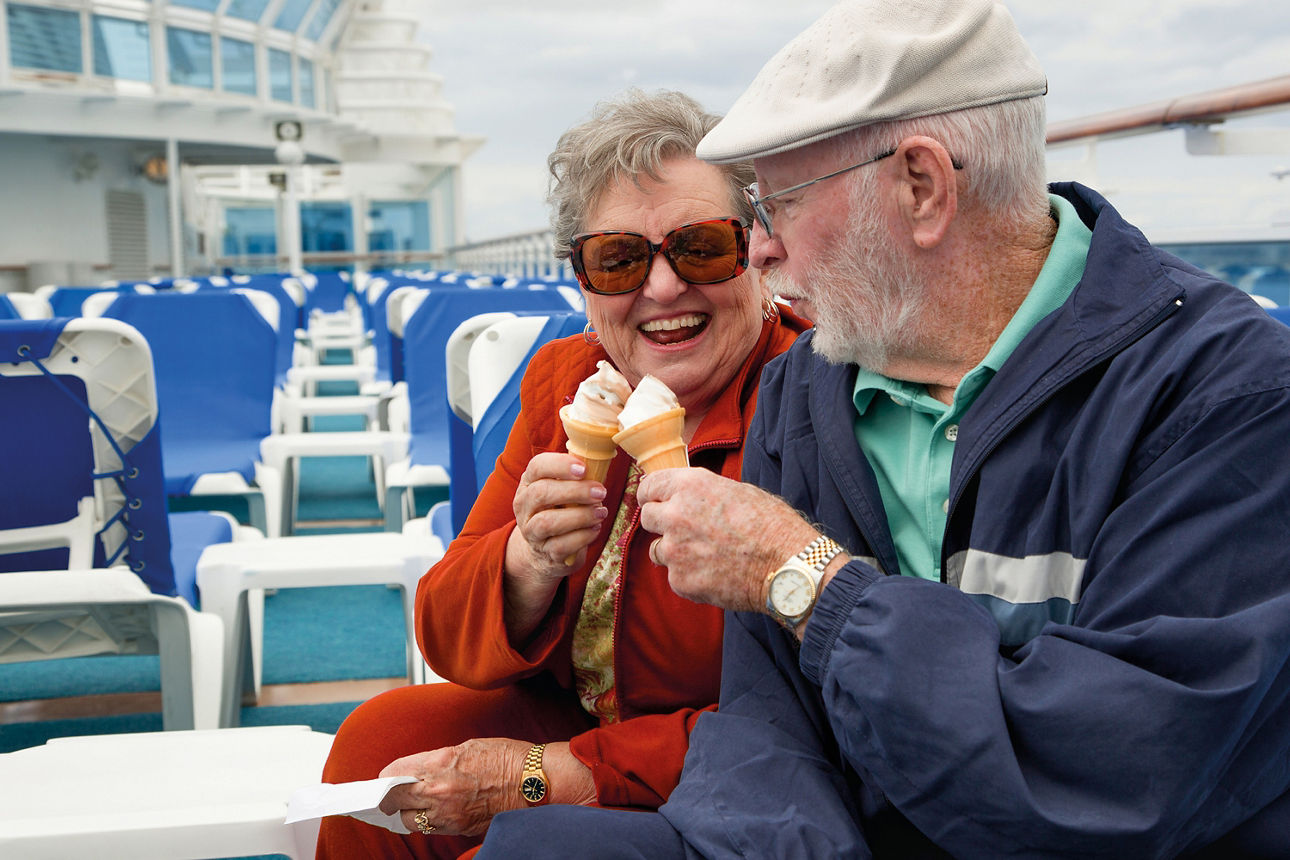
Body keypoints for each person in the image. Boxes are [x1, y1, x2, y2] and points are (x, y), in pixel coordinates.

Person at [474, 1, 1290, 857]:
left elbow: (1117, 771)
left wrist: (809, 584)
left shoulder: (1231, 397)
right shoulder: (807, 388)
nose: (761, 252)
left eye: (778, 201)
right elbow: (767, 731)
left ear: (921, 186)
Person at [314, 89, 807, 859]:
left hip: (729, 771)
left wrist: (552, 773)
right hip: (578, 717)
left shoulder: (812, 400)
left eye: (702, 246)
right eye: (619, 258)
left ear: (759, 249)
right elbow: (444, 627)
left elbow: (814, 715)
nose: (664, 288)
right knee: (383, 741)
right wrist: (525, 562)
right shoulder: (567, 380)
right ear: (581, 278)